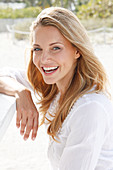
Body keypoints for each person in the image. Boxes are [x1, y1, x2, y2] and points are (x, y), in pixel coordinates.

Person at [0, 6, 113, 170]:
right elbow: (4, 75)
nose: (44, 60)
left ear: (77, 50)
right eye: (37, 49)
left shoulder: (89, 107)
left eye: (56, 48)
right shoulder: (56, 86)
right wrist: (21, 93)